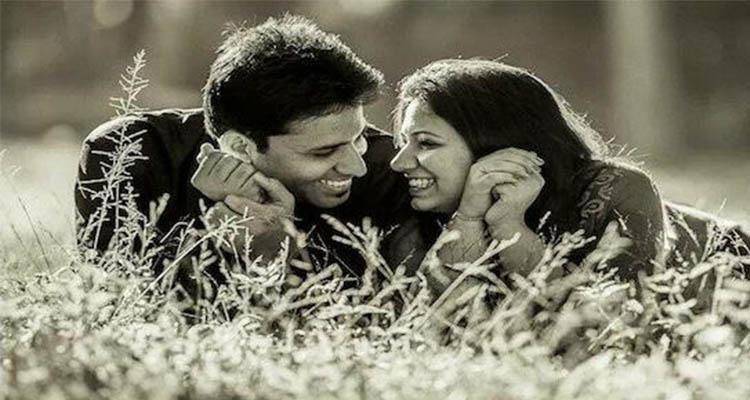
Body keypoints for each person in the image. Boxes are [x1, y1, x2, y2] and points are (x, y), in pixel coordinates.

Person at [75, 15, 414, 298]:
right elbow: (116, 302)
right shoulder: (129, 152)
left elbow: (397, 322)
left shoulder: (394, 168)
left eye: (359, 137)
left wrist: (282, 254)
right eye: (324, 151)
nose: (356, 165)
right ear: (239, 147)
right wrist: (208, 222)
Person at [390, 59, 749, 310]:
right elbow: (440, 326)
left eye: (426, 143)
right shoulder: (416, 212)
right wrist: (469, 218)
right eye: (403, 142)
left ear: (497, 144)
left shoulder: (616, 189)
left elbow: (610, 323)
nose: (399, 162)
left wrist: (509, 226)